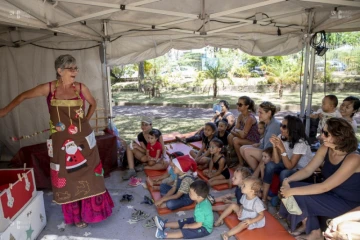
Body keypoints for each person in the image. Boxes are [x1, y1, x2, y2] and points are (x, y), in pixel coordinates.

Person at [0, 54, 113, 228]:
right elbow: (23, 96)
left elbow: (93, 103)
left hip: (84, 140)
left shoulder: (81, 88)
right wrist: (5, 110)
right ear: (60, 71)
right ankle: (76, 217)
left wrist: (85, 121)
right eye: (71, 68)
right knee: (67, 177)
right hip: (61, 144)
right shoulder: (49, 88)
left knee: (90, 176)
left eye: (76, 68)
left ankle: (92, 213)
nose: (75, 72)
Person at [279, 118, 360, 240]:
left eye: (326, 133)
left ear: (340, 136)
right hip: (329, 194)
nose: (321, 136)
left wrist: (290, 191)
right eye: (322, 131)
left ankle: (313, 232)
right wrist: (287, 180)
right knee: (291, 187)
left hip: (346, 202)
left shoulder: (353, 158)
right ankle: (310, 226)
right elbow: (307, 170)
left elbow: (325, 186)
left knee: (295, 194)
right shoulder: (325, 148)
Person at [261, 115, 313, 206]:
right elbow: (276, 161)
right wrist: (274, 146)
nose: (281, 128)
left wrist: (282, 149)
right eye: (281, 125)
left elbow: (290, 166)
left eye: (284, 126)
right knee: (270, 165)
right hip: (288, 164)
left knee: (284, 173)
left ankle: (283, 202)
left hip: (302, 171)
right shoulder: (281, 137)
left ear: (292, 129)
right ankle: (264, 199)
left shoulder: (301, 142)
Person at [240, 101, 281, 171]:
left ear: (269, 113)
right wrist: (259, 144)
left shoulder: (274, 126)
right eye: (258, 112)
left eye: (261, 113)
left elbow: (268, 150)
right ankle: (256, 170)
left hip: (272, 155)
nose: (258, 115)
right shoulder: (267, 123)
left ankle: (257, 173)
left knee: (247, 151)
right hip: (267, 149)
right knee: (242, 148)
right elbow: (266, 142)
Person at [227, 96, 260, 166]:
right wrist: (238, 131)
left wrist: (237, 130)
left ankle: (241, 162)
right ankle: (234, 156)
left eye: (240, 104)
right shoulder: (240, 116)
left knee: (235, 140)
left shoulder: (250, 118)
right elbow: (233, 130)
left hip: (253, 140)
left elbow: (242, 134)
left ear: (247, 106)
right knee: (230, 136)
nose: (238, 106)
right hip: (245, 137)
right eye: (237, 104)